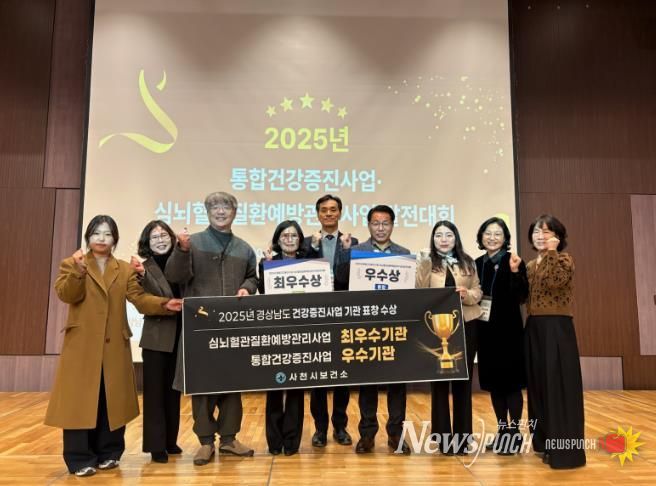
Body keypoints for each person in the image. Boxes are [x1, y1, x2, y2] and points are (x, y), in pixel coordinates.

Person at [45, 215, 182, 477]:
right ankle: (79, 458)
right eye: (96, 233)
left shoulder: (124, 269)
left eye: (107, 234)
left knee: (111, 398)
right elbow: (67, 294)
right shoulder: (72, 264)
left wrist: (164, 304)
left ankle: (109, 453)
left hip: (114, 345)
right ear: (88, 237)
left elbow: (139, 298)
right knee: (79, 401)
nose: (101, 238)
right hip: (82, 346)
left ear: (115, 240)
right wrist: (78, 271)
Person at [166, 191, 257, 465]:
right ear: (207, 212)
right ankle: (205, 442)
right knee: (202, 386)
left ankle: (229, 439)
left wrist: (247, 287)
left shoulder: (244, 248)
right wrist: (181, 250)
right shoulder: (191, 243)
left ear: (234, 213)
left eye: (226, 207)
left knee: (232, 384)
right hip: (200, 329)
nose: (220, 211)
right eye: (215, 207)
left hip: (232, 329)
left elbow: (253, 277)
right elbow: (174, 275)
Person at [335, 204, 411, 454]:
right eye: (376, 223)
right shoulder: (357, 252)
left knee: (397, 385)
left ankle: (396, 434)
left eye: (385, 223)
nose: (380, 228)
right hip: (366, 328)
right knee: (367, 385)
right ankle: (367, 435)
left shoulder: (403, 254)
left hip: (394, 329)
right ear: (368, 225)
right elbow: (342, 281)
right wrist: (345, 253)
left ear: (392, 225)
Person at [523, 215, 586, 469]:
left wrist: (551, 252)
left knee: (559, 387)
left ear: (558, 236)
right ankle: (544, 443)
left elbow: (554, 282)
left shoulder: (564, 260)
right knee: (539, 386)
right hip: (534, 328)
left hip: (557, 328)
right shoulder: (530, 265)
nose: (541, 236)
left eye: (547, 232)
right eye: (537, 232)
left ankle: (565, 453)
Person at [416, 220, 482, 455]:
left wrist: (467, 294)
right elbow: (419, 290)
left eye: (448, 235)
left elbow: (478, 291)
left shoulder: (468, 261)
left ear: (456, 238)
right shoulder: (426, 262)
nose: (443, 240)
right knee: (439, 383)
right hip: (437, 329)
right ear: (433, 240)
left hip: (466, 325)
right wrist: (424, 264)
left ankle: (463, 438)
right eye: (438, 236)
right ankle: (443, 438)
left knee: (464, 381)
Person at [302, 194, 358, 448]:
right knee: (318, 377)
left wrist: (346, 251)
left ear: (340, 213)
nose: (328, 214)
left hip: (342, 315)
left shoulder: (352, 243)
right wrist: (312, 249)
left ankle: (340, 427)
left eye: (333, 209)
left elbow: (347, 279)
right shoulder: (306, 243)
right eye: (323, 210)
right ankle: (320, 429)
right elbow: (303, 274)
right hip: (315, 317)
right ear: (318, 214)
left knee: (342, 376)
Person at [130, 220, 183, 463]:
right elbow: (145, 299)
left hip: (182, 335)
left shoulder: (181, 262)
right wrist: (143, 275)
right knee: (154, 394)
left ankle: (170, 441)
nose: (160, 240)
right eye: (154, 237)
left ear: (172, 238)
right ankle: (155, 445)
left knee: (174, 392)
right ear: (147, 243)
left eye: (164, 235)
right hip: (156, 338)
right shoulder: (142, 268)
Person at [474, 217, 528, 454]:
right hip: (485, 332)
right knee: (495, 385)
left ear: (505, 238)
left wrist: (515, 272)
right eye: (488, 233)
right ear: (481, 237)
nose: (492, 238)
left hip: (509, 332)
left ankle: (514, 434)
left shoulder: (513, 261)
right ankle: (503, 431)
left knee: (511, 384)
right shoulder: (476, 263)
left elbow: (522, 296)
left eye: (497, 234)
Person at [257, 220, 307, 456]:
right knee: (275, 386)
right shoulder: (268, 262)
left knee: (296, 388)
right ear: (277, 240)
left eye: (294, 235)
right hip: (276, 332)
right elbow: (264, 293)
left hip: (302, 333)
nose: (289, 239)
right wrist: (266, 266)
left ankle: (292, 441)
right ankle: (274, 441)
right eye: (284, 236)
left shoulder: (310, 263)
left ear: (300, 239)